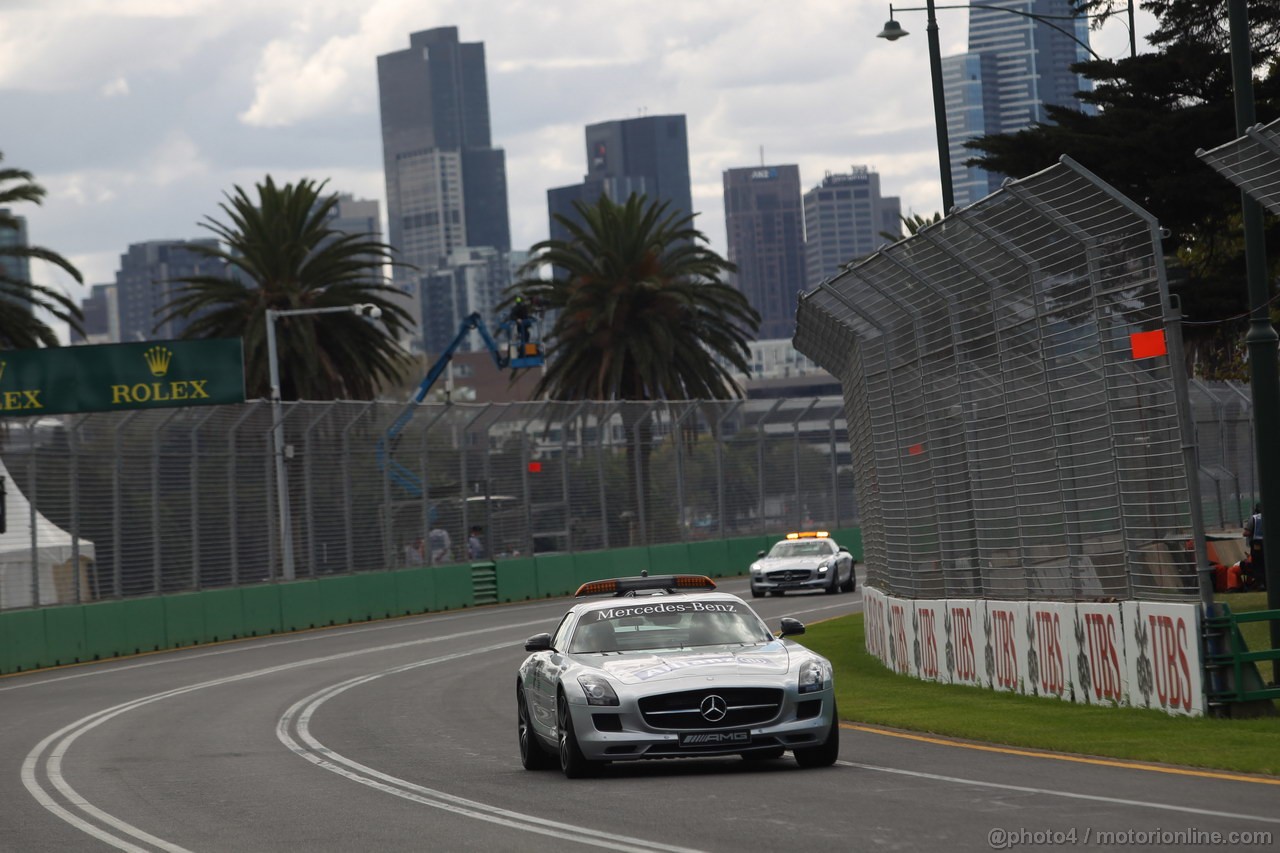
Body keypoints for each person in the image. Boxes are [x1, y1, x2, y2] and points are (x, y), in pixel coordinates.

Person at [1243, 504, 1264, 579]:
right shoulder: (1270, 516)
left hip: (1257, 544)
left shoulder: (1254, 518)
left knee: (1257, 563)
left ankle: (1260, 582)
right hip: (1268, 544)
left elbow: (1247, 533)